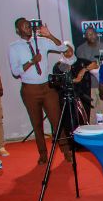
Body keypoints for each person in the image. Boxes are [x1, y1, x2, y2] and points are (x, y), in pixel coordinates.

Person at [8, 18, 70, 164]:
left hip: (47, 88)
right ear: (18, 30)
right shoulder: (14, 47)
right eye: (24, 26)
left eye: (29, 25)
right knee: (37, 124)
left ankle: (66, 151)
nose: (28, 27)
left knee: (57, 120)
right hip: (30, 90)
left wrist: (49, 35)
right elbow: (15, 71)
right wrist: (31, 62)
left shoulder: (41, 41)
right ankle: (43, 154)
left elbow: (62, 48)